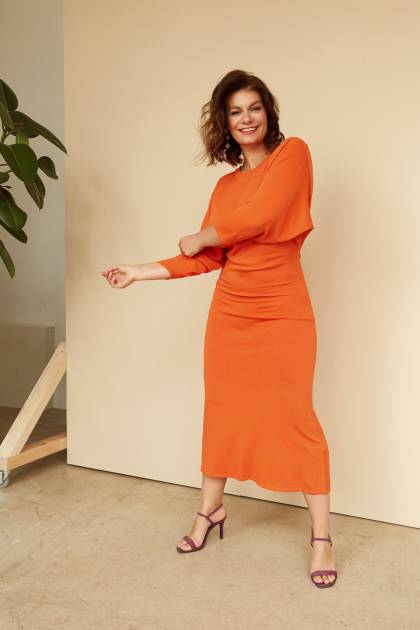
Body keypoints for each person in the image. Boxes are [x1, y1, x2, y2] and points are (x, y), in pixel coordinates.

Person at [102, 69, 337, 588]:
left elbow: (262, 215)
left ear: (268, 112)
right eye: (235, 112)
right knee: (223, 413)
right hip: (231, 313)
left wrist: (204, 233)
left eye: (254, 108)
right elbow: (207, 257)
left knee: (296, 416)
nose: (246, 118)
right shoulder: (225, 185)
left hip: (283, 310)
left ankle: (321, 537)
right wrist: (139, 270)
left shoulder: (293, 154)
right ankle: (209, 511)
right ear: (225, 123)